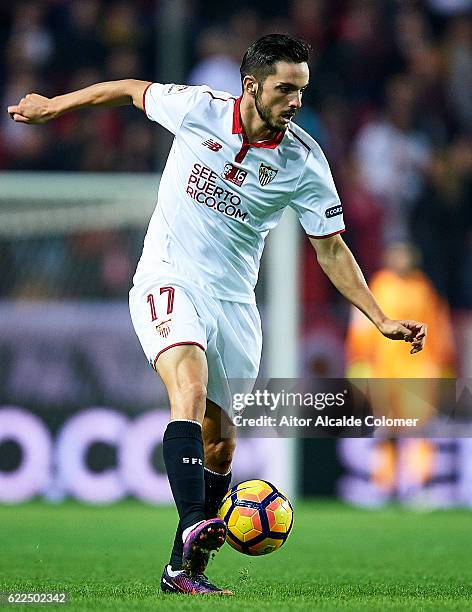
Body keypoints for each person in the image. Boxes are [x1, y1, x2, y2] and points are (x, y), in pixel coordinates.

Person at [8, 34, 427, 596]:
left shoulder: (304, 161)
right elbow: (130, 89)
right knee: (188, 383)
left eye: (301, 90)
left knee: (221, 443)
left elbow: (330, 246)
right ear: (251, 85)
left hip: (234, 303)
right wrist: (53, 106)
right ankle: (192, 524)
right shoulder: (200, 109)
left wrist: (377, 317)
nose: (295, 101)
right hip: (168, 275)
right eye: (284, 89)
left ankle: (185, 570)